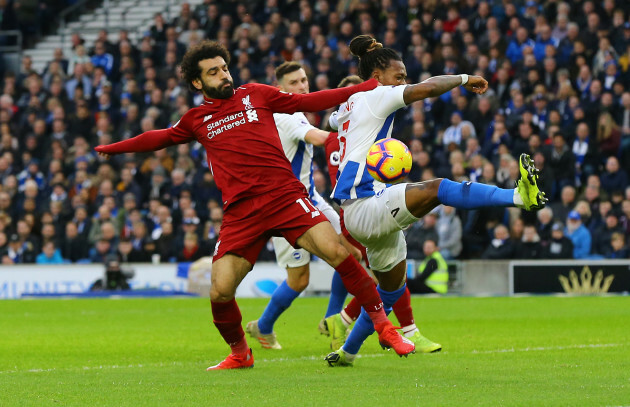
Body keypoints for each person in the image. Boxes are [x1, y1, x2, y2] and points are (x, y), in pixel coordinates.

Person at [94, 40, 414, 370]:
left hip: (285, 197)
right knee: (219, 291)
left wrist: (365, 87)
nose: (224, 75)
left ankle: (385, 329)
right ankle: (240, 353)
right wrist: (114, 148)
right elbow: (158, 137)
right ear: (197, 82)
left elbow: (309, 101)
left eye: (225, 68)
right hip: (241, 212)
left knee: (339, 253)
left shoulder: (255, 94)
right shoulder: (196, 119)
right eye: (213, 72)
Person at [325, 35, 546, 367]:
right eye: (399, 76)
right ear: (379, 73)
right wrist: (464, 78)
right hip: (363, 203)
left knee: (389, 290)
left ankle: (348, 352)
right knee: (437, 187)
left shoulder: (348, 105)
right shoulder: (377, 94)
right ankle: (518, 196)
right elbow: (426, 88)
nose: (404, 82)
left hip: (364, 206)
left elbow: (334, 122)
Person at [244, 62, 362, 350]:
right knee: (299, 280)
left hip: (310, 198)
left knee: (352, 253)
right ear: (281, 89)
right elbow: (318, 138)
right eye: (294, 82)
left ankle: (332, 319)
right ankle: (263, 326)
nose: (302, 86)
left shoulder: (296, 113)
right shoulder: (285, 114)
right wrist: (357, 138)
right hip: (287, 207)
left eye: (304, 80)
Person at [322, 75, 441, 354]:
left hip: (364, 204)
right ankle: (401, 330)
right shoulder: (342, 140)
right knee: (387, 278)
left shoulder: (343, 131)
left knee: (384, 276)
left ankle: (345, 322)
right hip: (357, 208)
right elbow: (341, 181)